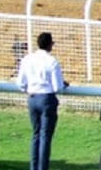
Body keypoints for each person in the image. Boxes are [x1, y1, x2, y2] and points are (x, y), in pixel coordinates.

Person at [15, 32, 66, 170]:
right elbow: (57, 87)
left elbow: (20, 83)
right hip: (47, 99)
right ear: (50, 44)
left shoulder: (27, 59)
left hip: (32, 98)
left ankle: (34, 166)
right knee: (45, 136)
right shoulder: (52, 61)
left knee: (36, 134)